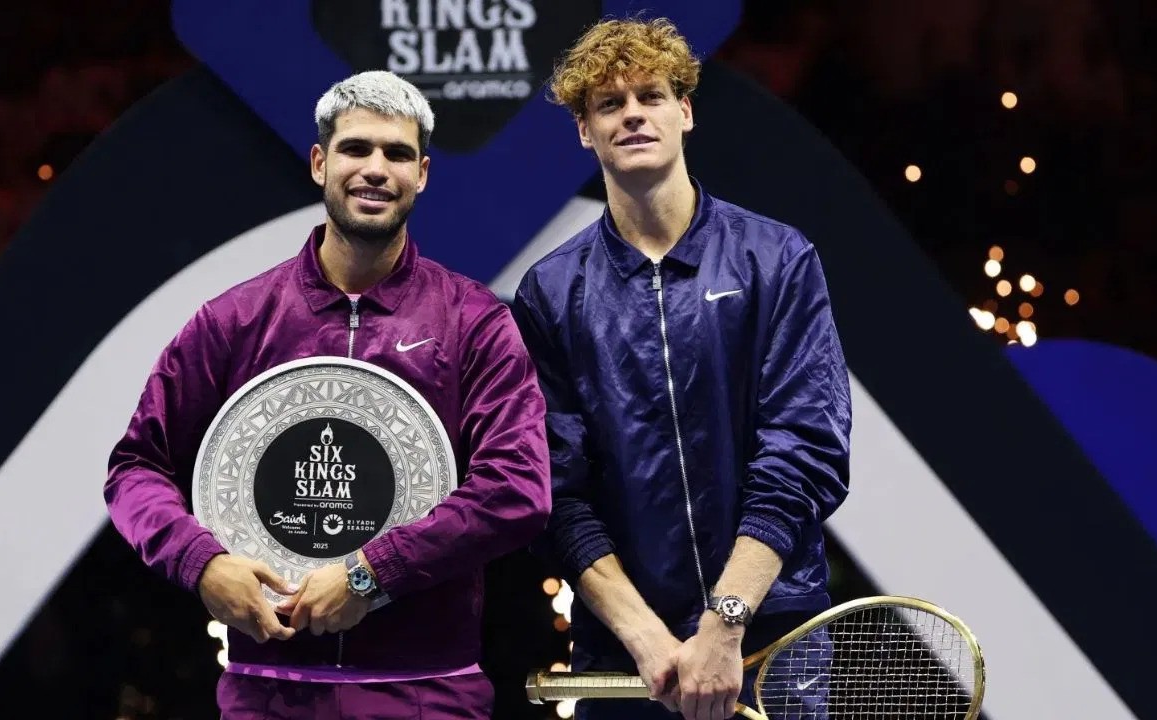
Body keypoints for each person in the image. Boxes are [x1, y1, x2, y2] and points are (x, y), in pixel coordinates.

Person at [105, 70, 551, 720]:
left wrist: (372, 574)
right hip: (267, 692)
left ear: (422, 174)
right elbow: (136, 468)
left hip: (426, 692)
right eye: (356, 148)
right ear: (320, 162)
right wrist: (202, 564)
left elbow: (517, 488)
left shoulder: (473, 322)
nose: (375, 169)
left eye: (397, 154)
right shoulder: (234, 320)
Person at [511, 17, 851, 720]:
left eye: (652, 96)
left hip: (770, 636)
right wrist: (645, 637)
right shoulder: (549, 292)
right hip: (629, 653)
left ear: (685, 112)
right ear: (584, 130)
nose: (633, 114)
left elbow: (805, 451)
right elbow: (555, 491)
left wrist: (724, 622)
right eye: (610, 103)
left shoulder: (777, 260)